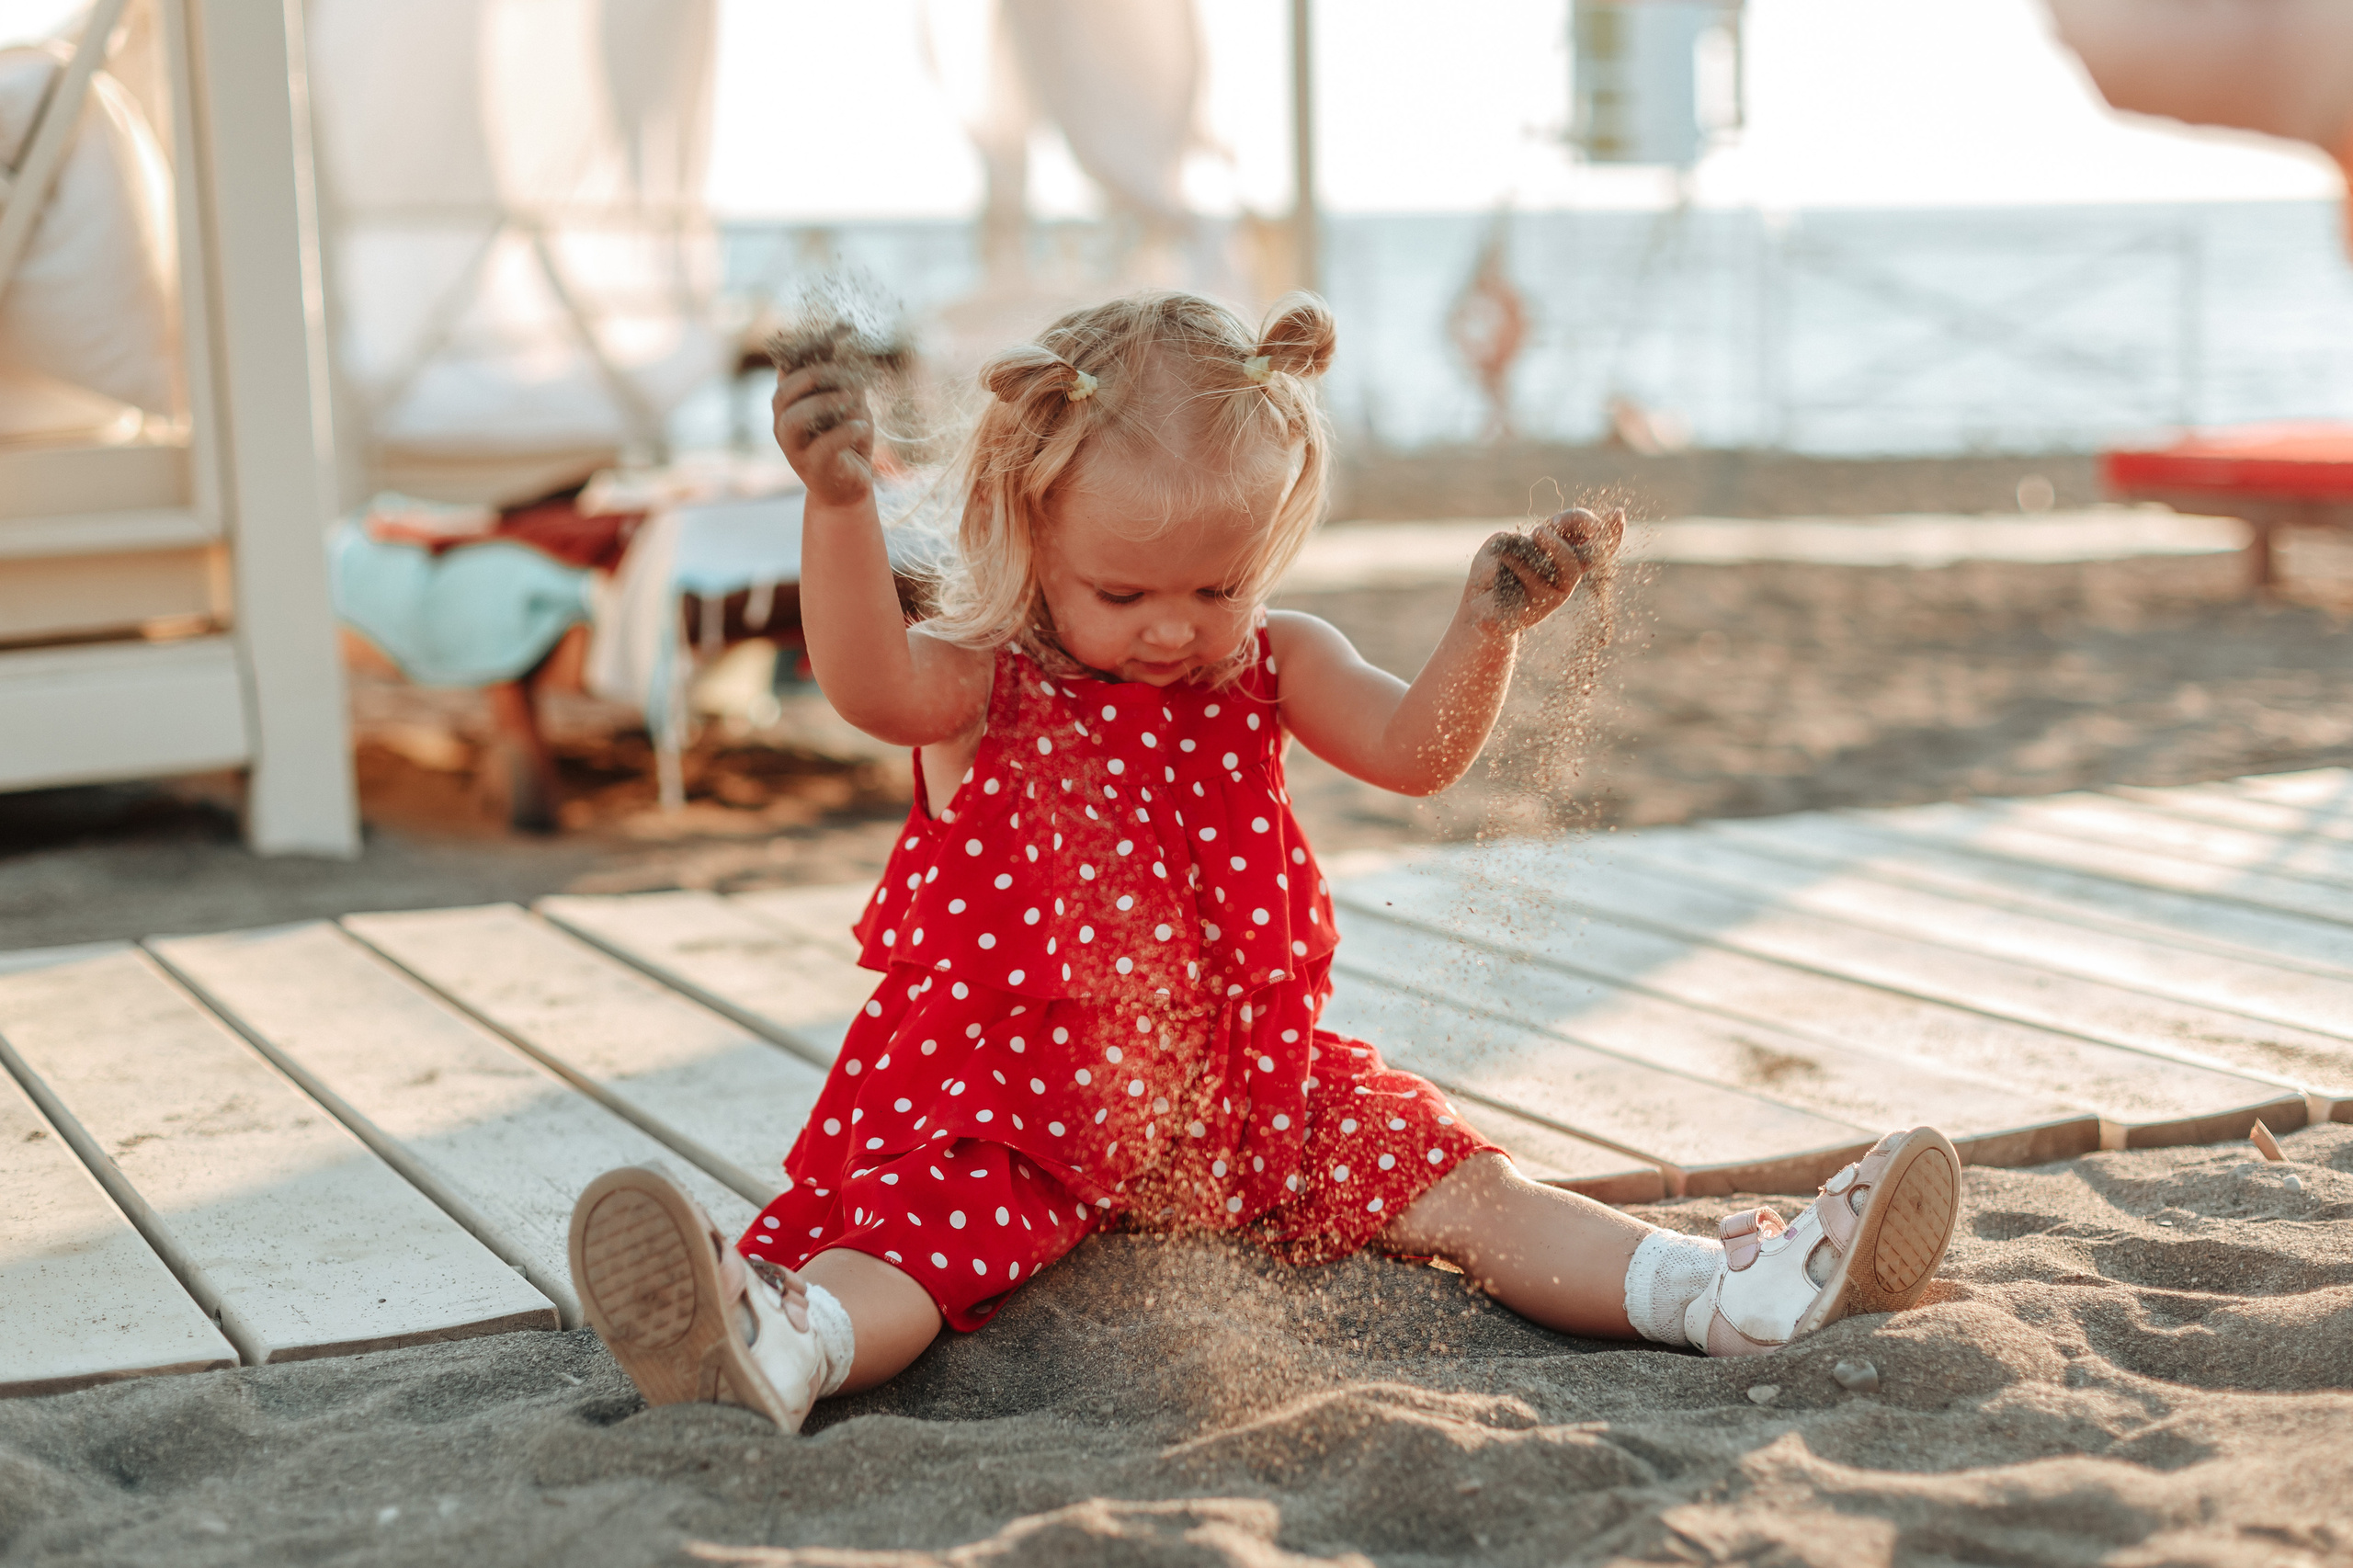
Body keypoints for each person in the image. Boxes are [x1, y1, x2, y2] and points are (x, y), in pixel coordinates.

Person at [563, 290, 1962, 1431]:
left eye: (1217, 584)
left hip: (1238, 1089)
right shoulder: (984, 675)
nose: (1176, 626)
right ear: (1031, 533)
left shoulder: (1274, 660)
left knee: (1465, 1184)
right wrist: (838, 508)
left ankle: (1721, 1293)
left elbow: (1415, 751)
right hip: (1012, 1098)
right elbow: (868, 684)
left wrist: (1484, 631)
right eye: (1124, 592)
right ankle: (789, 1341)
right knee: (909, 1254)